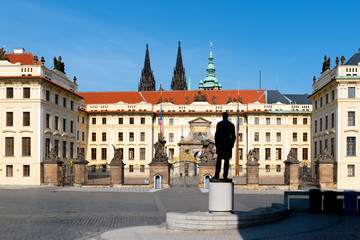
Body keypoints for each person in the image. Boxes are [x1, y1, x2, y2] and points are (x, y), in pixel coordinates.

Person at [214, 112, 236, 179]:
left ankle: (217, 175)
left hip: (220, 143)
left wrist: (217, 144)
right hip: (228, 144)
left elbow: (216, 135)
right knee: (227, 160)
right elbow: (234, 136)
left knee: (219, 160)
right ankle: (225, 176)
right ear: (227, 116)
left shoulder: (219, 124)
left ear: (222, 116)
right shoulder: (231, 125)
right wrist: (232, 144)